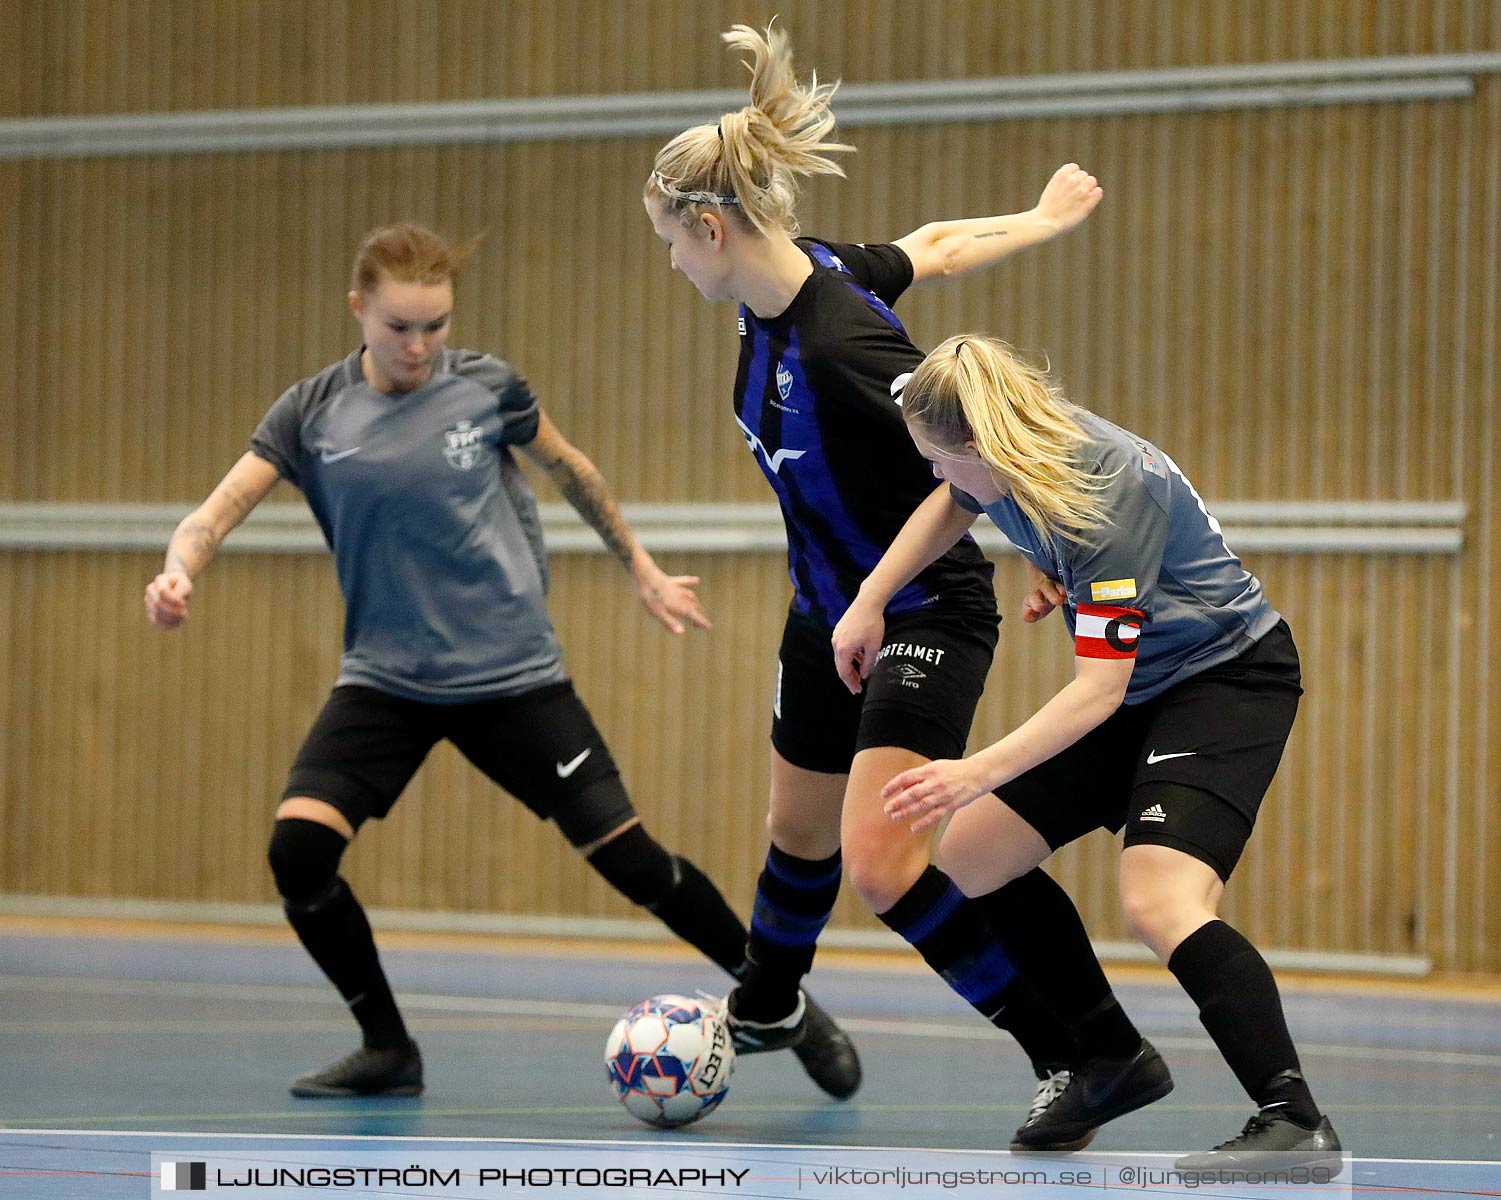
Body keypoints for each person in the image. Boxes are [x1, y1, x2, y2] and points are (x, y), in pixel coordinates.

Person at [644, 22, 1160, 1141]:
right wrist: (1039, 218)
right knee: (798, 831)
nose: (674, 266)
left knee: (885, 863)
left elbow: (982, 459)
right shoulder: (796, 278)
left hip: (921, 611)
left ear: (712, 227)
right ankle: (771, 1004)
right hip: (825, 612)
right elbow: (930, 244)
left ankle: (1079, 1052)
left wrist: (1053, 563)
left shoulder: (844, 351)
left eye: (673, 246)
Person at [143, 222, 772, 1100]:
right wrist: (178, 573)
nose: (418, 345)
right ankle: (387, 1049)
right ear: (359, 308)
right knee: (298, 853)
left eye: (435, 325)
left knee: (632, 860)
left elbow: (571, 468)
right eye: (400, 325)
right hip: (385, 680)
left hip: (512, 677)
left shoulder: (486, 389)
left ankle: (779, 1005)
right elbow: (212, 514)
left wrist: (642, 568)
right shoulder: (311, 412)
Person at [834, 332, 1342, 1168]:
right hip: (1140, 684)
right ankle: (1108, 1058)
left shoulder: (1102, 492)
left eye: (940, 459)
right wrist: (869, 598)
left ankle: (1294, 1120)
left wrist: (974, 769)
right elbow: (958, 501)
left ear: (982, 446)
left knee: (1158, 898)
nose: (934, 474)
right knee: (971, 854)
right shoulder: (1006, 444)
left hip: (1221, 682)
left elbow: (1098, 690)